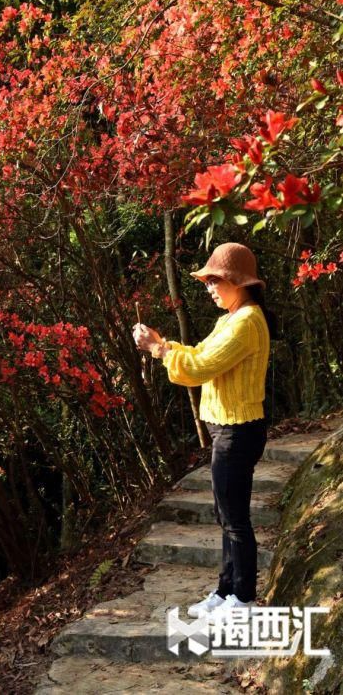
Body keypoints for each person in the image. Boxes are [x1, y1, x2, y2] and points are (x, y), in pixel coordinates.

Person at [132, 242, 278, 620]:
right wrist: (163, 345)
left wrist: (160, 351)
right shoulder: (229, 318)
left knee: (234, 518)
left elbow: (199, 368)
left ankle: (243, 598)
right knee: (225, 513)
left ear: (237, 281)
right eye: (208, 282)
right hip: (227, 430)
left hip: (238, 431)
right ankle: (226, 589)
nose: (210, 289)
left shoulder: (247, 321)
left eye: (215, 281)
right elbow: (198, 355)